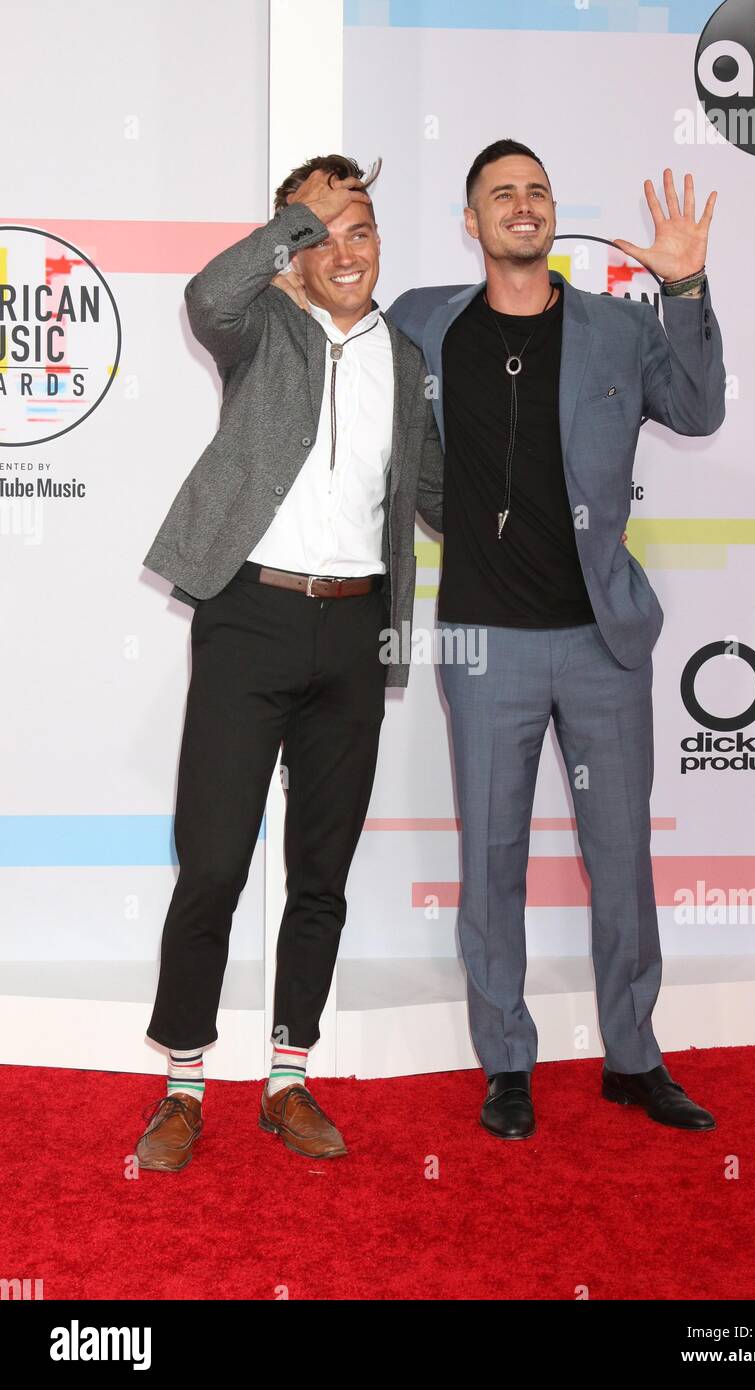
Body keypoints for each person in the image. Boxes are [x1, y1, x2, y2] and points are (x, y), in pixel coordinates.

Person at [276, 139, 725, 1140]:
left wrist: (684, 285)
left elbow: (697, 409)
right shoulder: (423, 322)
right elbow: (325, 338)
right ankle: (506, 1062)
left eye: (535, 192)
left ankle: (632, 1056)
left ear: (549, 215)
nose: (520, 206)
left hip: (601, 639)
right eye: (498, 196)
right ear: (470, 225)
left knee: (619, 860)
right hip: (485, 645)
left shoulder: (615, 326)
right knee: (493, 862)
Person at [136, 154, 442, 1170]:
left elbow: (434, 490)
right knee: (214, 861)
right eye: (318, 233)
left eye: (359, 230)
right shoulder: (259, 324)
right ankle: (182, 1085)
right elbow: (202, 294)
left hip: (355, 632)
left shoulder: (402, 356)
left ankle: (287, 1077)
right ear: (291, 248)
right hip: (248, 617)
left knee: (322, 870)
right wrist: (290, 227)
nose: (342, 251)